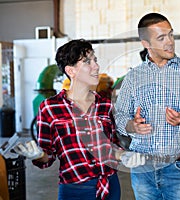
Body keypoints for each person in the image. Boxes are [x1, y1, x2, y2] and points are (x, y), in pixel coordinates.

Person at [13, 39, 144, 200]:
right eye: (87, 62)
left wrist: (123, 156)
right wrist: (39, 155)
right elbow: (48, 156)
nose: (96, 66)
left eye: (95, 60)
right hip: (74, 190)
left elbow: (110, 146)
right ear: (71, 70)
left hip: (110, 185)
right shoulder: (50, 107)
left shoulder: (105, 105)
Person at [114, 13, 180, 200]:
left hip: (178, 168)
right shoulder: (133, 77)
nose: (170, 42)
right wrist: (132, 126)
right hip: (142, 169)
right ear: (146, 43)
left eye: (171, 35)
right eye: (161, 38)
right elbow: (120, 116)